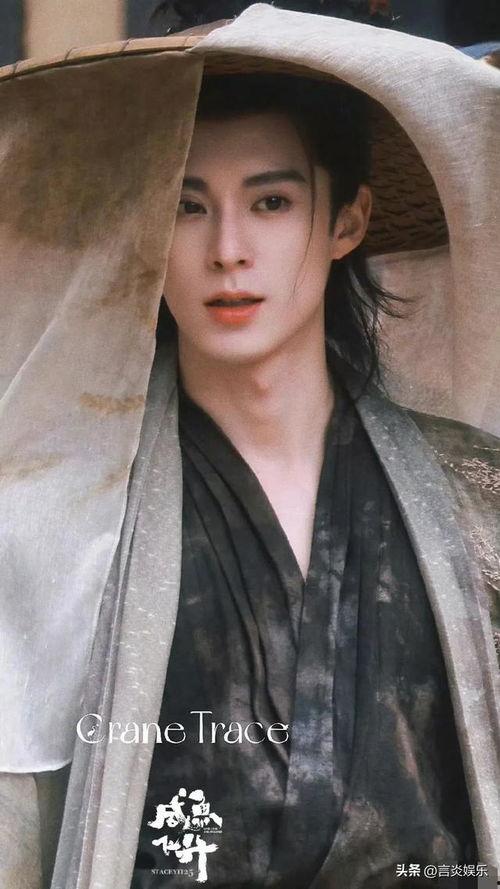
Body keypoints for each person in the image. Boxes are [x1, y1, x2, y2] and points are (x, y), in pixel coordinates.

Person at [0, 6, 498, 889]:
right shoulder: (55, 521)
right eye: (186, 205)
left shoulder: (476, 501)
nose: (228, 251)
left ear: (348, 220)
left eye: (271, 202)